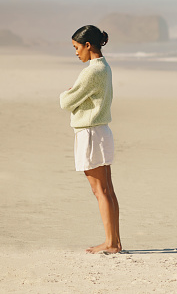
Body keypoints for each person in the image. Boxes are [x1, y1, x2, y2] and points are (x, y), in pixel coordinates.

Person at [60, 25, 121, 254]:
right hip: (100, 132)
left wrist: (66, 93)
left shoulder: (91, 71)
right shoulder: (104, 67)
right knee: (107, 191)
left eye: (77, 47)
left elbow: (66, 102)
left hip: (91, 133)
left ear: (88, 45)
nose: (76, 52)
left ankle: (111, 243)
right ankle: (114, 241)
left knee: (101, 192)